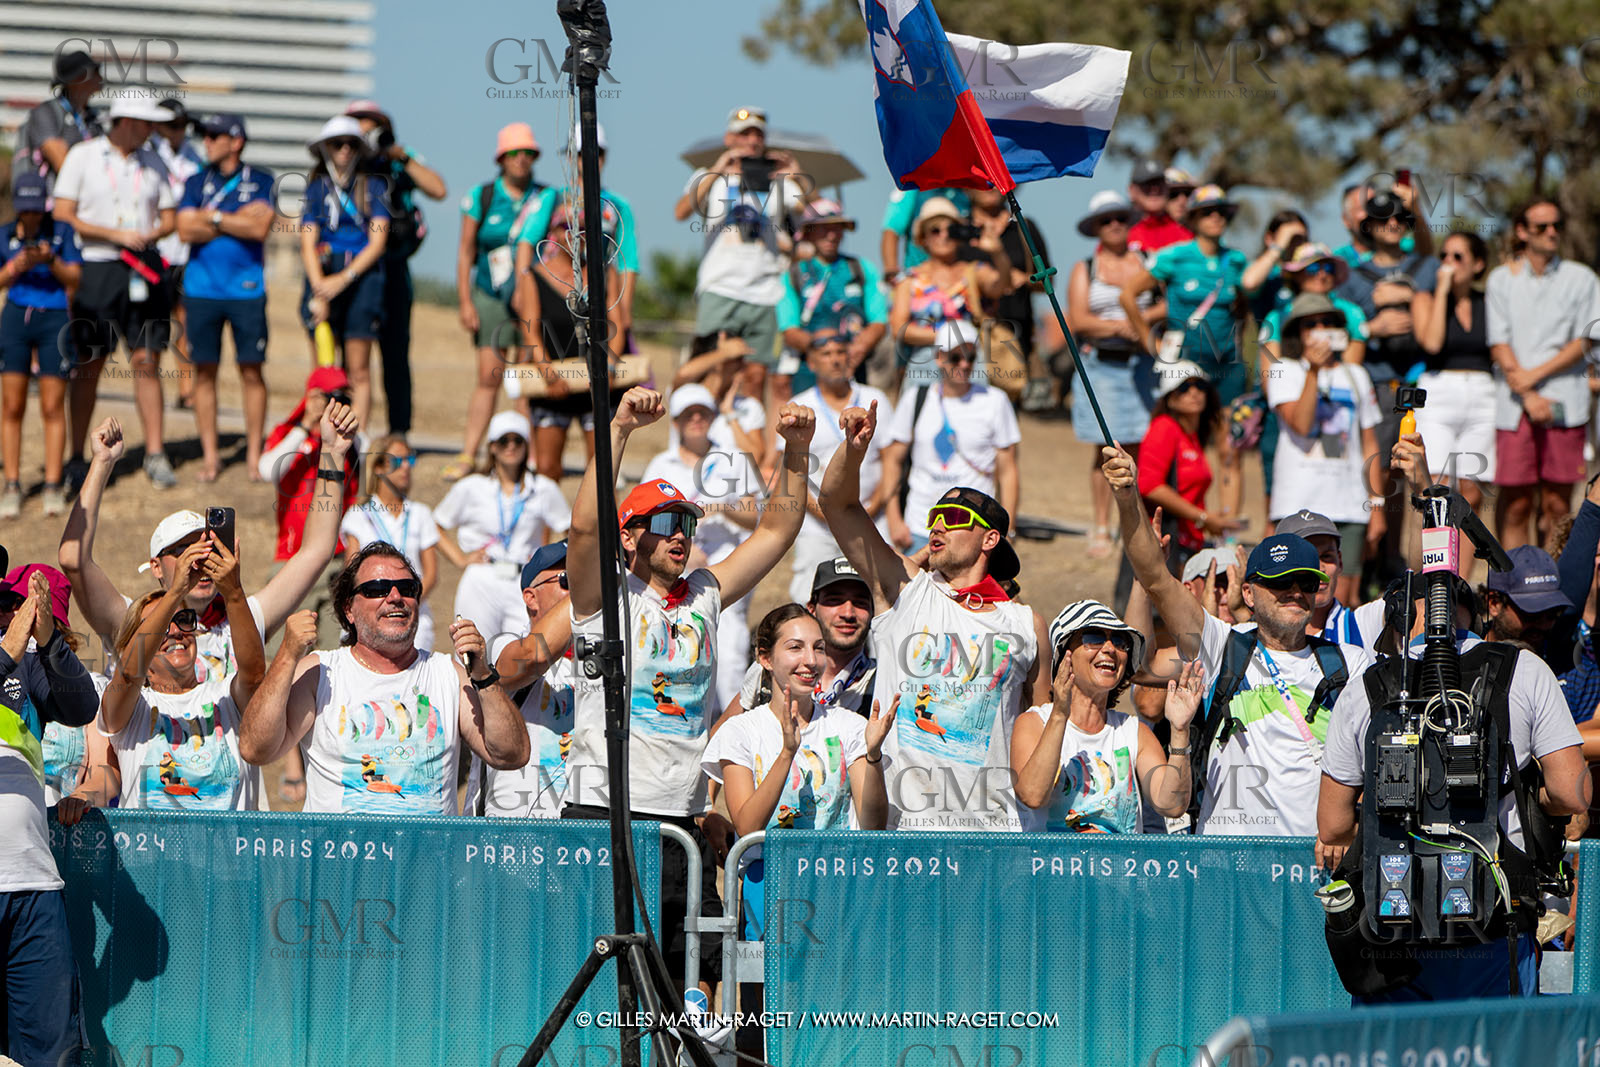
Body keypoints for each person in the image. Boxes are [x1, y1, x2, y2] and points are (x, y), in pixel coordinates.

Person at [563, 387, 812, 989]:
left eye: (689, 523)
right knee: (601, 988)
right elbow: (582, 526)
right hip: (605, 814)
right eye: (667, 524)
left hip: (682, 819)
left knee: (680, 987)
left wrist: (796, 449)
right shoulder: (604, 597)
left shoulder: (702, 593)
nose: (683, 535)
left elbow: (777, 532)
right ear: (629, 537)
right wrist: (619, 428)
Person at [1316, 594, 1589, 1002]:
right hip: (1498, 923)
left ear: (1398, 624)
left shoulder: (1365, 688)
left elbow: (1332, 825)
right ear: (1476, 615)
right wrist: (1538, 801)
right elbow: (1573, 791)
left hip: (1395, 932)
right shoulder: (1525, 670)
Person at [1105, 441, 1372, 836]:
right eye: (1280, 583)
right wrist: (1129, 498)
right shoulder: (1223, 646)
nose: (1295, 592)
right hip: (1229, 866)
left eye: (1305, 582)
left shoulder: (1352, 664)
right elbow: (1156, 577)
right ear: (1249, 593)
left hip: (1317, 865)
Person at [822, 400, 1051, 831]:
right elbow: (837, 505)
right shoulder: (905, 590)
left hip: (992, 830)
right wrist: (853, 452)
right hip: (901, 826)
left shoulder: (1025, 622)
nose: (938, 527)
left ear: (991, 538)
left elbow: (1041, 720)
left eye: (954, 518)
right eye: (934, 518)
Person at [60, 406, 357, 682]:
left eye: (210, 546)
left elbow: (317, 550)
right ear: (155, 567)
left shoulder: (244, 619)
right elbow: (73, 559)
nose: (200, 558)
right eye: (183, 550)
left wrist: (332, 453)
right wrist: (101, 463)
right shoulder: (132, 619)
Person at [238, 542, 529, 813]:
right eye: (377, 589)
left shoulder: (447, 674)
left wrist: (483, 676)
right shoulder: (321, 672)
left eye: (406, 588)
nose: (395, 598)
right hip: (341, 864)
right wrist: (287, 656)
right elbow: (255, 748)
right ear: (348, 609)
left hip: (428, 866)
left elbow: (511, 754)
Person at [703, 603, 893, 931]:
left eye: (818, 648)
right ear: (765, 658)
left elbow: (873, 825)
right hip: (768, 883)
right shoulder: (741, 731)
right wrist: (786, 754)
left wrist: (873, 756)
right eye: (795, 647)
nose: (810, 660)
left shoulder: (849, 726)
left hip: (838, 882)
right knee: (766, 982)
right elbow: (747, 827)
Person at [52, 97, 179, 492]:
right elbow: (63, 212)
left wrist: (149, 235)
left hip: (143, 267)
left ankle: (156, 454)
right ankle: (77, 456)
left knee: (146, 360)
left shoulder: (154, 160)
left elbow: (170, 217)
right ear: (124, 121)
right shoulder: (83, 155)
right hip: (98, 266)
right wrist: (115, 236)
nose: (151, 130)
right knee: (89, 362)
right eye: (145, 123)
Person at [0, 557, 96, 1067]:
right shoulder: (7, 655)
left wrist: (48, 641)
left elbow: (82, 708)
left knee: (52, 1055)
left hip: (32, 886)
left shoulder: (26, 662)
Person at [93, 533, 266, 810]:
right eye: (160, 625)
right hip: (150, 853)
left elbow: (255, 674)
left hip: (227, 853)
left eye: (183, 620)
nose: (175, 632)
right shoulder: (132, 709)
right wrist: (175, 593)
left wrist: (233, 591)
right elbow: (128, 673)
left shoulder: (225, 696)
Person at [1012, 600, 1197, 832]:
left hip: (1121, 867)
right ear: (1064, 654)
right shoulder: (1033, 723)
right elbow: (1032, 795)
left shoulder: (1133, 731)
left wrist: (1180, 731)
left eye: (1120, 642)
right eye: (1093, 637)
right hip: (1053, 867)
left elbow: (1171, 805)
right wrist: (1060, 713)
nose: (1110, 649)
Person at [641, 384, 766, 709]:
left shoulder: (734, 458)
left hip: (726, 570)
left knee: (729, 658)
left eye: (703, 413)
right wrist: (684, 550)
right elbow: (644, 521)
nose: (697, 420)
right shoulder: (660, 464)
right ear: (677, 422)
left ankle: (731, 728)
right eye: (688, 415)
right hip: (674, 573)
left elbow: (756, 517)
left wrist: (724, 506)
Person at [1486, 199, 1600, 552]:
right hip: (1515, 403)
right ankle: (1512, 588)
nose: (1552, 232)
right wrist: (1529, 393)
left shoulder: (1582, 278)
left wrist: (1532, 379)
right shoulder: (1501, 279)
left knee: (1557, 503)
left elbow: (1584, 340)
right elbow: (1498, 342)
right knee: (1516, 502)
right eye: (1541, 227)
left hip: (1566, 401)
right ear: (1522, 232)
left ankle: (1554, 590)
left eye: (1557, 225)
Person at [673, 106, 809, 397]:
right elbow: (682, 211)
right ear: (728, 138)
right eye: (744, 134)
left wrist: (795, 176)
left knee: (756, 376)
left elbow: (808, 216)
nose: (751, 141)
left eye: (757, 135)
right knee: (712, 368)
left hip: (765, 290)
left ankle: (749, 439)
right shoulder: (710, 175)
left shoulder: (778, 181)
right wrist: (719, 169)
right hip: (720, 286)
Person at [1266, 293, 1386, 607]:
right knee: (1294, 593)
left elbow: (1369, 443)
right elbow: (1301, 425)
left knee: (1344, 598)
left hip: (1349, 506)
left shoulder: (1356, 374)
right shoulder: (1285, 370)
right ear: (1298, 333)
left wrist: (1377, 506)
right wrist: (1314, 373)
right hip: (1298, 502)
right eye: (1312, 324)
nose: (1321, 328)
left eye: (1329, 322)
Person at [176, 113, 275, 483]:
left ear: (236, 141)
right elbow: (184, 229)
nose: (208, 141)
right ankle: (211, 457)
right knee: (204, 372)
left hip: (247, 291)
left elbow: (260, 226)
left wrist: (210, 219)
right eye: (206, 135)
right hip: (201, 291)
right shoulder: (195, 180)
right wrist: (231, 219)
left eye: (216, 135)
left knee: (251, 370)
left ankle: (253, 456)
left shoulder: (261, 179)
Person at [449, 122, 546, 483]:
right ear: (502, 158)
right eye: (515, 153)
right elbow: (465, 251)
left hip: (529, 300)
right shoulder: (481, 196)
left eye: (529, 153)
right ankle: (469, 453)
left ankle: (529, 458)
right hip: (489, 294)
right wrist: (465, 301)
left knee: (525, 381)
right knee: (488, 377)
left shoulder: (544, 197)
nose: (522, 159)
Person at [345, 99, 448, 441]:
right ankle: (347, 429)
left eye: (372, 124)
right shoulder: (345, 159)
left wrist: (399, 155)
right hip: (355, 270)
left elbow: (438, 189)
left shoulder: (399, 160)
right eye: (357, 122)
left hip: (393, 270)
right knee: (352, 355)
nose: (365, 130)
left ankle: (398, 431)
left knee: (396, 353)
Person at [1067, 191, 1162, 557]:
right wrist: (1120, 327)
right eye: (1106, 220)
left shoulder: (1148, 261)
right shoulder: (1084, 268)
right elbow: (1079, 319)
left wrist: (1139, 322)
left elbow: (1164, 304)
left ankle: (1133, 525)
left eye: (1121, 218)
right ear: (1095, 228)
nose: (1115, 225)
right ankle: (1101, 525)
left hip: (1140, 366)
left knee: (1140, 447)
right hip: (1101, 366)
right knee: (1104, 449)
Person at [511, 201, 628, 481]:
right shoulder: (534, 276)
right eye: (568, 227)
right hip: (554, 385)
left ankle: (602, 526)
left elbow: (618, 323)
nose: (576, 235)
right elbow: (530, 331)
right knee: (548, 469)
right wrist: (548, 374)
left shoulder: (603, 273)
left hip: (596, 384)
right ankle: (549, 526)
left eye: (584, 229)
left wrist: (609, 368)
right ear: (553, 231)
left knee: (602, 471)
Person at [881, 321, 1020, 555]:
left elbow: (1008, 472)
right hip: (920, 527)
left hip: (974, 530)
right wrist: (894, 520)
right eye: (956, 357)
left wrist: (1008, 531)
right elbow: (892, 461)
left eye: (971, 356)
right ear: (939, 357)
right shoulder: (915, 398)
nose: (965, 364)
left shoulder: (995, 401)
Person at [433, 410, 570, 646]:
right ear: (492, 447)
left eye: (518, 440)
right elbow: (434, 524)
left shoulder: (543, 488)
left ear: (527, 446)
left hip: (524, 578)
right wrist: (460, 559)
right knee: (473, 650)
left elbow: (570, 529)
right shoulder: (472, 486)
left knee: (523, 652)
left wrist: (549, 562)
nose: (511, 446)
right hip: (482, 576)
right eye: (503, 440)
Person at [465, 541, 575, 818]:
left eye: (580, 579)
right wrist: (589, 587)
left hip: (584, 834)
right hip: (513, 831)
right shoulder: (503, 646)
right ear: (530, 597)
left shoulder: (604, 658)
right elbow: (533, 657)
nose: (578, 586)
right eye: (567, 580)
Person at [786, 330, 894, 603]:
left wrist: (875, 505)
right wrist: (825, 512)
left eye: (841, 353)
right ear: (811, 363)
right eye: (826, 354)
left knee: (883, 597)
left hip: (872, 520)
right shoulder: (800, 405)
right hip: (816, 527)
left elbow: (892, 461)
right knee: (809, 597)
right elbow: (791, 470)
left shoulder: (874, 399)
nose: (835, 360)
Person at [258, 370, 361, 650]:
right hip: (291, 557)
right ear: (313, 396)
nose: (336, 403)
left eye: (343, 397)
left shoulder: (349, 443)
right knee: (283, 651)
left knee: (333, 654)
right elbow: (267, 470)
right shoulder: (288, 433)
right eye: (329, 396)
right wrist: (306, 423)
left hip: (337, 560)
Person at [1123, 184, 1255, 404]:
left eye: (1221, 212)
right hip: (1186, 359)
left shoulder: (1237, 260)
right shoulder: (1175, 256)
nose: (1215, 217)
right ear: (1193, 218)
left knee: (1228, 430)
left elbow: (1242, 308)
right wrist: (1152, 343)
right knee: (1185, 429)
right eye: (1207, 212)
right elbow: (1127, 295)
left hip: (1228, 361)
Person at [299, 115, 390, 431]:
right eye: (338, 144)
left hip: (361, 281)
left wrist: (345, 278)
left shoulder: (374, 187)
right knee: (323, 367)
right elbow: (307, 241)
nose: (345, 151)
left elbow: (378, 242)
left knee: (358, 368)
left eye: (352, 144)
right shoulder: (315, 189)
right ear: (326, 148)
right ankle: (318, 433)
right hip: (323, 280)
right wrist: (319, 287)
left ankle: (358, 437)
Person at [1410, 231, 1496, 560]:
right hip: (1440, 389)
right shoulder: (1426, 297)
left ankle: (1462, 581)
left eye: (1458, 257)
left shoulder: (1488, 301)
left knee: (1473, 491)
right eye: (1444, 255)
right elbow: (1431, 343)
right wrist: (1443, 290)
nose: (1448, 263)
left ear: (1478, 264)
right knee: (1438, 493)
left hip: (1483, 393)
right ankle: (1437, 573)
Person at [0, 174, 82, 517]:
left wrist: (51, 261)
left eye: (37, 209)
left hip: (54, 320)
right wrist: (15, 266)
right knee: (12, 404)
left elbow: (76, 277)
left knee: (52, 404)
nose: (32, 217)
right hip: (16, 317)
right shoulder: (5, 234)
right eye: (26, 210)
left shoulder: (61, 231)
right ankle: (12, 483)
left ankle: (52, 483)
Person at [510, 123, 640, 339]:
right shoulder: (552, 199)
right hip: (552, 295)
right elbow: (526, 242)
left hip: (598, 295)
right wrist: (521, 289)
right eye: (582, 153)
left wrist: (623, 308)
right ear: (571, 157)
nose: (590, 158)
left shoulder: (618, 206)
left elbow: (629, 260)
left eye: (598, 152)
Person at [726, 558, 879, 719]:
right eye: (834, 600)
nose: (848, 613)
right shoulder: (771, 670)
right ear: (812, 609)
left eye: (860, 602)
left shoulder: (883, 681)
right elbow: (722, 737)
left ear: (873, 611)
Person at [888, 196, 1012, 392]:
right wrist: (949, 337)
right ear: (924, 238)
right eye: (935, 230)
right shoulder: (909, 279)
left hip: (969, 364)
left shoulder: (974, 272)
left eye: (951, 230)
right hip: (925, 364)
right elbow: (899, 329)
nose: (944, 236)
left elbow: (1001, 285)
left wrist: (998, 253)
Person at [339, 435, 440, 650]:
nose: (405, 467)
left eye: (409, 460)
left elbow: (431, 574)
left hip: (415, 618)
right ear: (377, 467)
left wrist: (405, 604)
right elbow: (351, 572)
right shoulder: (358, 515)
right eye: (396, 461)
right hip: (370, 616)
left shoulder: (420, 513)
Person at [776, 200, 887, 396]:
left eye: (837, 228)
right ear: (809, 233)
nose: (831, 235)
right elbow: (789, 329)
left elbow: (879, 321)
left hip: (855, 368)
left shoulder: (862, 268)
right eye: (823, 228)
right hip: (810, 372)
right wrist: (825, 352)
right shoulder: (793, 274)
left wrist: (855, 350)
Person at [1137, 361, 1239, 571]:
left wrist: (1209, 519)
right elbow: (1148, 484)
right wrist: (1202, 517)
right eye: (1184, 387)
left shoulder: (1191, 436)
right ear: (1170, 398)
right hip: (1166, 543)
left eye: (1200, 386)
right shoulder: (1164, 427)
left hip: (1187, 542)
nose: (1194, 393)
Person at [14, 49, 103, 197]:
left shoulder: (93, 118)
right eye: (95, 71)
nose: (100, 77)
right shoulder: (46, 113)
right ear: (78, 79)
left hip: (86, 203)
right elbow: (62, 163)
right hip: (52, 209)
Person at [880, 187, 972, 283]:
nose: (944, 235)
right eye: (935, 230)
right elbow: (892, 230)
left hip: (959, 277)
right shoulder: (910, 187)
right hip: (918, 278)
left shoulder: (965, 190)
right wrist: (892, 271)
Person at [1125, 159, 1191, 256]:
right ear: (1132, 190)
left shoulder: (1185, 236)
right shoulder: (1118, 230)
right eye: (1147, 184)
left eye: (1159, 183)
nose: (1154, 189)